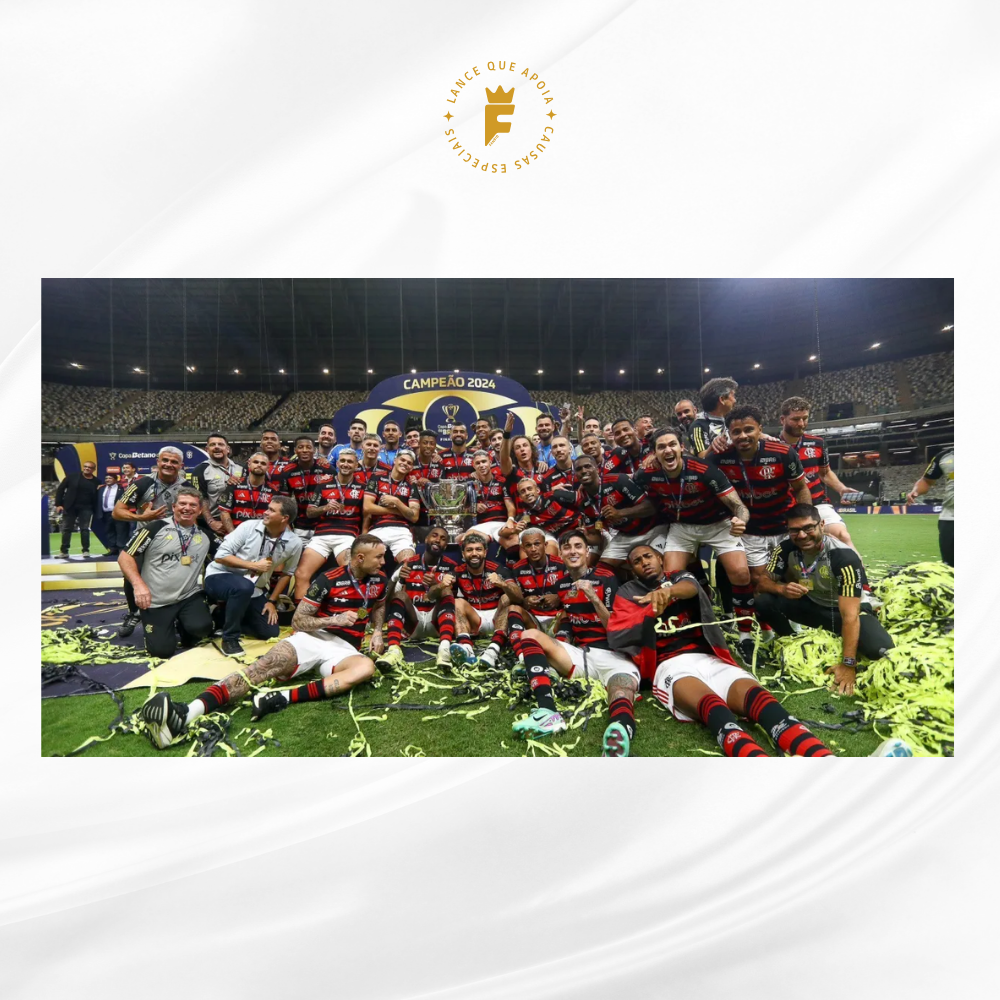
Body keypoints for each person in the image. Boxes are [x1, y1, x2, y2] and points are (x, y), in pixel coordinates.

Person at [140, 535, 389, 747]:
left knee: (365, 668)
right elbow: (298, 621)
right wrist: (334, 619)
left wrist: (377, 631)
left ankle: (281, 698)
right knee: (263, 668)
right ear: (360, 558)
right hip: (313, 637)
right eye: (379, 557)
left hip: (344, 649)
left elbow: (379, 605)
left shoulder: (380, 580)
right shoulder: (328, 579)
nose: (383, 562)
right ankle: (186, 714)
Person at [607, 545, 833, 757]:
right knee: (715, 709)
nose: (644, 562)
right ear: (633, 570)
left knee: (764, 702)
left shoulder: (678, 576)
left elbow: (691, 588)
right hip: (669, 664)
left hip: (709, 657)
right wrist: (649, 613)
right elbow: (620, 630)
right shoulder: (627, 592)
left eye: (648, 556)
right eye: (637, 561)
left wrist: (667, 592)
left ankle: (823, 758)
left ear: (659, 558)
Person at [512, 529, 641, 756]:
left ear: (587, 551)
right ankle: (548, 713)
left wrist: (593, 597)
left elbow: (616, 628)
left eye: (578, 546)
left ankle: (620, 729)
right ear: (560, 554)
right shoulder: (562, 584)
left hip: (614, 655)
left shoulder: (606, 578)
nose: (573, 551)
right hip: (581, 656)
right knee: (530, 636)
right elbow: (569, 618)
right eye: (567, 547)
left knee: (621, 691)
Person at [635, 427, 758, 663]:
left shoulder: (704, 471)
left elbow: (739, 506)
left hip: (718, 525)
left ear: (682, 447)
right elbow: (631, 487)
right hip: (683, 527)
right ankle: (693, 625)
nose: (668, 450)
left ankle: (745, 635)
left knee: (741, 573)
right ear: (654, 453)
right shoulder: (647, 473)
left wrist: (740, 521)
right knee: (671, 578)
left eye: (672, 444)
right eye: (661, 447)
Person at [754, 504, 894, 694]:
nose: (802, 535)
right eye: (794, 530)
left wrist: (848, 664)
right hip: (813, 605)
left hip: (847, 612)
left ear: (821, 525)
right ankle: (792, 642)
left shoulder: (843, 557)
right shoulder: (785, 548)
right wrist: (782, 588)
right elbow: (762, 582)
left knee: (880, 649)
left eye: (808, 528)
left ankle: (847, 639)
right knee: (763, 601)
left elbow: (850, 615)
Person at [714, 406, 812, 586]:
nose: (743, 436)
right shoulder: (719, 457)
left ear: (760, 429)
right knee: (761, 580)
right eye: (736, 432)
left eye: (749, 429)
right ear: (728, 434)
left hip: (783, 526)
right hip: (750, 530)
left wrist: (805, 519)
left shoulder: (783, 453)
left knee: (795, 575)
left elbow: (800, 488)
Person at [118, 487, 213, 659]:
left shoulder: (206, 536)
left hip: (187, 596)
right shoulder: (154, 528)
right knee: (161, 651)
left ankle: (185, 625)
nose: (187, 508)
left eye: (193, 505)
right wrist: (138, 586)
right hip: (155, 600)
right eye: (182, 503)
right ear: (174, 507)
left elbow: (227, 554)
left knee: (202, 629)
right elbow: (125, 557)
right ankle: (158, 625)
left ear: (200, 511)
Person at [204, 496, 302, 656]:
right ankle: (229, 639)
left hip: (253, 588)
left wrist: (272, 601)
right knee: (243, 587)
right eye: (268, 508)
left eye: (271, 510)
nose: (265, 512)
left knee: (269, 632)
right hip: (219, 576)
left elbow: (287, 573)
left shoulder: (295, 543)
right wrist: (253, 566)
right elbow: (220, 556)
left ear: (284, 518)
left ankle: (220, 616)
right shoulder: (248, 526)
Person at [113, 446, 192, 638]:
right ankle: (134, 613)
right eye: (165, 460)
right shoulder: (142, 483)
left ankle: (173, 614)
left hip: (175, 540)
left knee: (174, 578)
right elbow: (117, 511)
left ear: (181, 465)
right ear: (158, 461)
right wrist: (142, 517)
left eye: (174, 462)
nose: (169, 464)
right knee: (131, 574)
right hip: (145, 538)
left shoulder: (188, 487)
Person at [375, 526, 458, 673]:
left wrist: (435, 585)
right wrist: (395, 578)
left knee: (446, 591)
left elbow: (448, 597)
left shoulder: (452, 566)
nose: (437, 540)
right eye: (434, 535)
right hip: (413, 621)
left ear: (446, 545)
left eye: (443, 539)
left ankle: (444, 648)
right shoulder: (409, 563)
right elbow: (386, 598)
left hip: (437, 621)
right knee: (400, 595)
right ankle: (394, 650)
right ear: (426, 539)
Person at [778, 396, 855, 547]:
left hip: (817, 503)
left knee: (842, 536)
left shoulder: (818, 443)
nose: (801, 424)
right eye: (795, 419)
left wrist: (841, 489)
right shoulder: (771, 446)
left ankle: (855, 564)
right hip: (785, 507)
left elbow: (825, 473)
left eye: (805, 418)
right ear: (782, 419)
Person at [561, 454, 657, 570]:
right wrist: (583, 537)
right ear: (575, 474)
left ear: (597, 469)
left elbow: (651, 507)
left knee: (658, 564)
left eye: (588, 466)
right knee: (602, 570)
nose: (583, 471)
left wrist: (620, 513)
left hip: (652, 529)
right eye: (579, 469)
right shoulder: (583, 501)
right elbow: (597, 538)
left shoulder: (618, 480)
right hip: (625, 535)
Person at [294, 449, 366, 599]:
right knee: (301, 574)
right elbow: (309, 512)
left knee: (351, 572)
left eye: (350, 461)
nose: (345, 464)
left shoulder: (363, 487)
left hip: (347, 536)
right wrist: (324, 508)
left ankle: (345, 608)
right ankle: (301, 612)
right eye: (343, 461)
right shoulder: (323, 485)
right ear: (337, 463)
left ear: (356, 466)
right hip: (321, 536)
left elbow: (367, 514)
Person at [495, 527, 567, 658]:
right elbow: (517, 599)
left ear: (545, 545)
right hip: (533, 621)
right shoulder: (517, 568)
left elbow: (573, 593)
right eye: (528, 545)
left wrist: (558, 597)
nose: (533, 549)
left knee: (568, 612)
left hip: (557, 619)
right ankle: (521, 656)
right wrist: (525, 601)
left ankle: (563, 654)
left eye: (537, 544)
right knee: (513, 607)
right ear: (523, 548)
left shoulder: (561, 564)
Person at [452, 532, 510, 668]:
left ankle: (493, 650)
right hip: (475, 618)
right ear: (463, 554)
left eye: (478, 549)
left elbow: (518, 596)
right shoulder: (457, 571)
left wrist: (503, 584)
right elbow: (444, 597)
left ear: (485, 552)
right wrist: (441, 585)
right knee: (456, 602)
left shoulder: (498, 569)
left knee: (507, 597)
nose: (474, 553)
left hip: (498, 616)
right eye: (469, 550)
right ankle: (466, 648)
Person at [363, 449, 421, 565]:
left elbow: (414, 517)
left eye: (409, 463)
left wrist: (397, 501)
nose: (405, 464)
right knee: (367, 563)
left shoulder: (411, 485)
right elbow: (367, 507)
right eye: (402, 460)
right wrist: (397, 511)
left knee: (408, 564)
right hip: (377, 528)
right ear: (395, 460)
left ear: (411, 468)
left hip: (401, 530)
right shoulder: (377, 477)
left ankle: (396, 577)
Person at [277, 436, 334, 543]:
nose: (304, 450)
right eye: (300, 447)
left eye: (308, 447)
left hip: (324, 523)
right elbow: (283, 502)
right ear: (295, 450)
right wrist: (286, 525)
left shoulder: (326, 469)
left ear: (314, 450)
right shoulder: (287, 472)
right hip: (299, 525)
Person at [906, 448, 954, 567]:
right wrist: (915, 491)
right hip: (950, 519)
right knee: (951, 567)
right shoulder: (943, 456)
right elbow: (926, 481)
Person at [513, 476, 581, 556]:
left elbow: (582, 500)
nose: (527, 493)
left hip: (579, 528)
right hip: (563, 539)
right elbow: (509, 529)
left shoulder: (554, 495)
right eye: (523, 491)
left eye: (529, 489)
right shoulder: (527, 515)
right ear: (521, 497)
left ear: (537, 490)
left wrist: (585, 524)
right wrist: (516, 528)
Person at [190, 433, 243, 536]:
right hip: (215, 524)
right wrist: (211, 522)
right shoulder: (200, 470)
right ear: (207, 449)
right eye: (212, 444)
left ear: (228, 449)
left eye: (220, 444)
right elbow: (200, 499)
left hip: (239, 521)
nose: (217, 447)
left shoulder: (242, 468)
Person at [461, 449, 515, 545]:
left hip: (501, 523)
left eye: (484, 461)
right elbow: (462, 509)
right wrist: (474, 507)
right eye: (478, 463)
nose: (481, 465)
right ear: (473, 466)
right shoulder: (470, 485)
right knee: (467, 542)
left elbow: (510, 506)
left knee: (513, 543)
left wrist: (510, 520)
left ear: (490, 462)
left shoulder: (501, 481)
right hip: (481, 526)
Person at [218, 452, 278, 533]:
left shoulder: (273, 490)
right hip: (237, 532)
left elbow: (276, 515)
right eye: (256, 462)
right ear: (249, 464)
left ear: (268, 468)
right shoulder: (235, 485)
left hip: (261, 534)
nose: (259, 465)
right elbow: (224, 512)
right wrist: (233, 535)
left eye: (263, 463)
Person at [54, 461, 100, 559]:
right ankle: (64, 551)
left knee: (85, 529)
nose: (86, 468)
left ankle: (86, 550)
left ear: (93, 470)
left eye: (89, 467)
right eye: (85, 466)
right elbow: (60, 489)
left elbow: (98, 496)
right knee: (67, 529)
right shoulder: (72, 477)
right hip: (70, 507)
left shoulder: (97, 482)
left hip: (87, 508)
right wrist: (58, 504)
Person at [690, 377, 739, 458]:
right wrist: (713, 447)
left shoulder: (731, 420)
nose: (735, 400)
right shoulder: (698, 425)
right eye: (732, 395)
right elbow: (702, 457)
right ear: (722, 399)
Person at [95, 473, 122, 555]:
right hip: (105, 514)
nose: (107, 480)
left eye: (110, 478)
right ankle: (112, 549)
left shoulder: (121, 488)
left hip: (118, 513)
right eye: (106, 478)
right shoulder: (101, 489)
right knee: (109, 531)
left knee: (120, 531)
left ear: (115, 480)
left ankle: (121, 549)